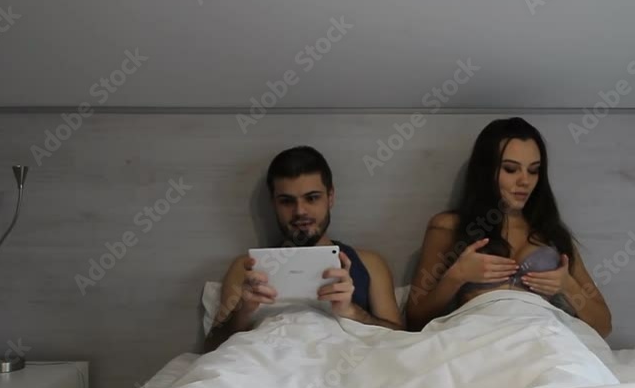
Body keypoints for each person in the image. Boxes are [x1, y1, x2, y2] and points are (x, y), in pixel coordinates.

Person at [404, 118, 612, 337]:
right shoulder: (449, 227)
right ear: (486, 171)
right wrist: (457, 275)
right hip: (478, 339)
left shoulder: (552, 234)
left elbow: (604, 326)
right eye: (511, 169)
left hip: (542, 338)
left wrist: (567, 285)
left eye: (534, 171)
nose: (525, 181)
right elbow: (415, 321)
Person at [204, 146, 403, 352]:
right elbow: (210, 348)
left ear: (330, 197)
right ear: (274, 204)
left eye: (312, 198)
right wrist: (243, 312)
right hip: (266, 361)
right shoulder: (246, 268)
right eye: (287, 201)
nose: (300, 211)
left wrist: (352, 312)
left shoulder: (369, 263)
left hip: (343, 359)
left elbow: (401, 341)